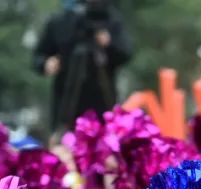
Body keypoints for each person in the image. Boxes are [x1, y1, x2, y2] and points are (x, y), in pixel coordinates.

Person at [33, 0, 132, 133]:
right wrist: (46, 63)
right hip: (66, 105)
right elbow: (39, 56)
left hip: (102, 103)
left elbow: (126, 53)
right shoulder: (60, 22)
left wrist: (109, 44)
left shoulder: (111, 20)